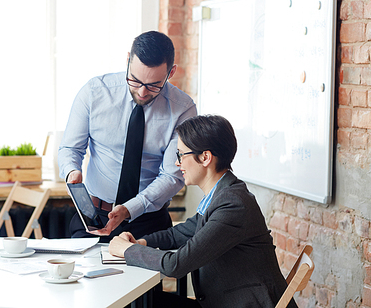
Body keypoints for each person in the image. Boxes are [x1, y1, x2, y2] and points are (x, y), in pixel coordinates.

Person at [109, 115, 297, 308]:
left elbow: (177, 264)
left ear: (205, 157)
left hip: (246, 304)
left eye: (181, 155)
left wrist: (128, 250)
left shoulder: (233, 204)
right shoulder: (221, 195)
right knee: (144, 303)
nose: (177, 163)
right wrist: (142, 242)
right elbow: (180, 233)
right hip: (224, 301)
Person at [58, 31, 197, 242]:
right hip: (93, 216)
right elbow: (70, 148)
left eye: (153, 85)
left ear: (171, 72)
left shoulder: (182, 110)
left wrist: (129, 208)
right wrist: (71, 171)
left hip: (148, 221)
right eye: (135, 80)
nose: (142, 92)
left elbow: (172, 176)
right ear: (127, 61)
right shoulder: (95, 92)